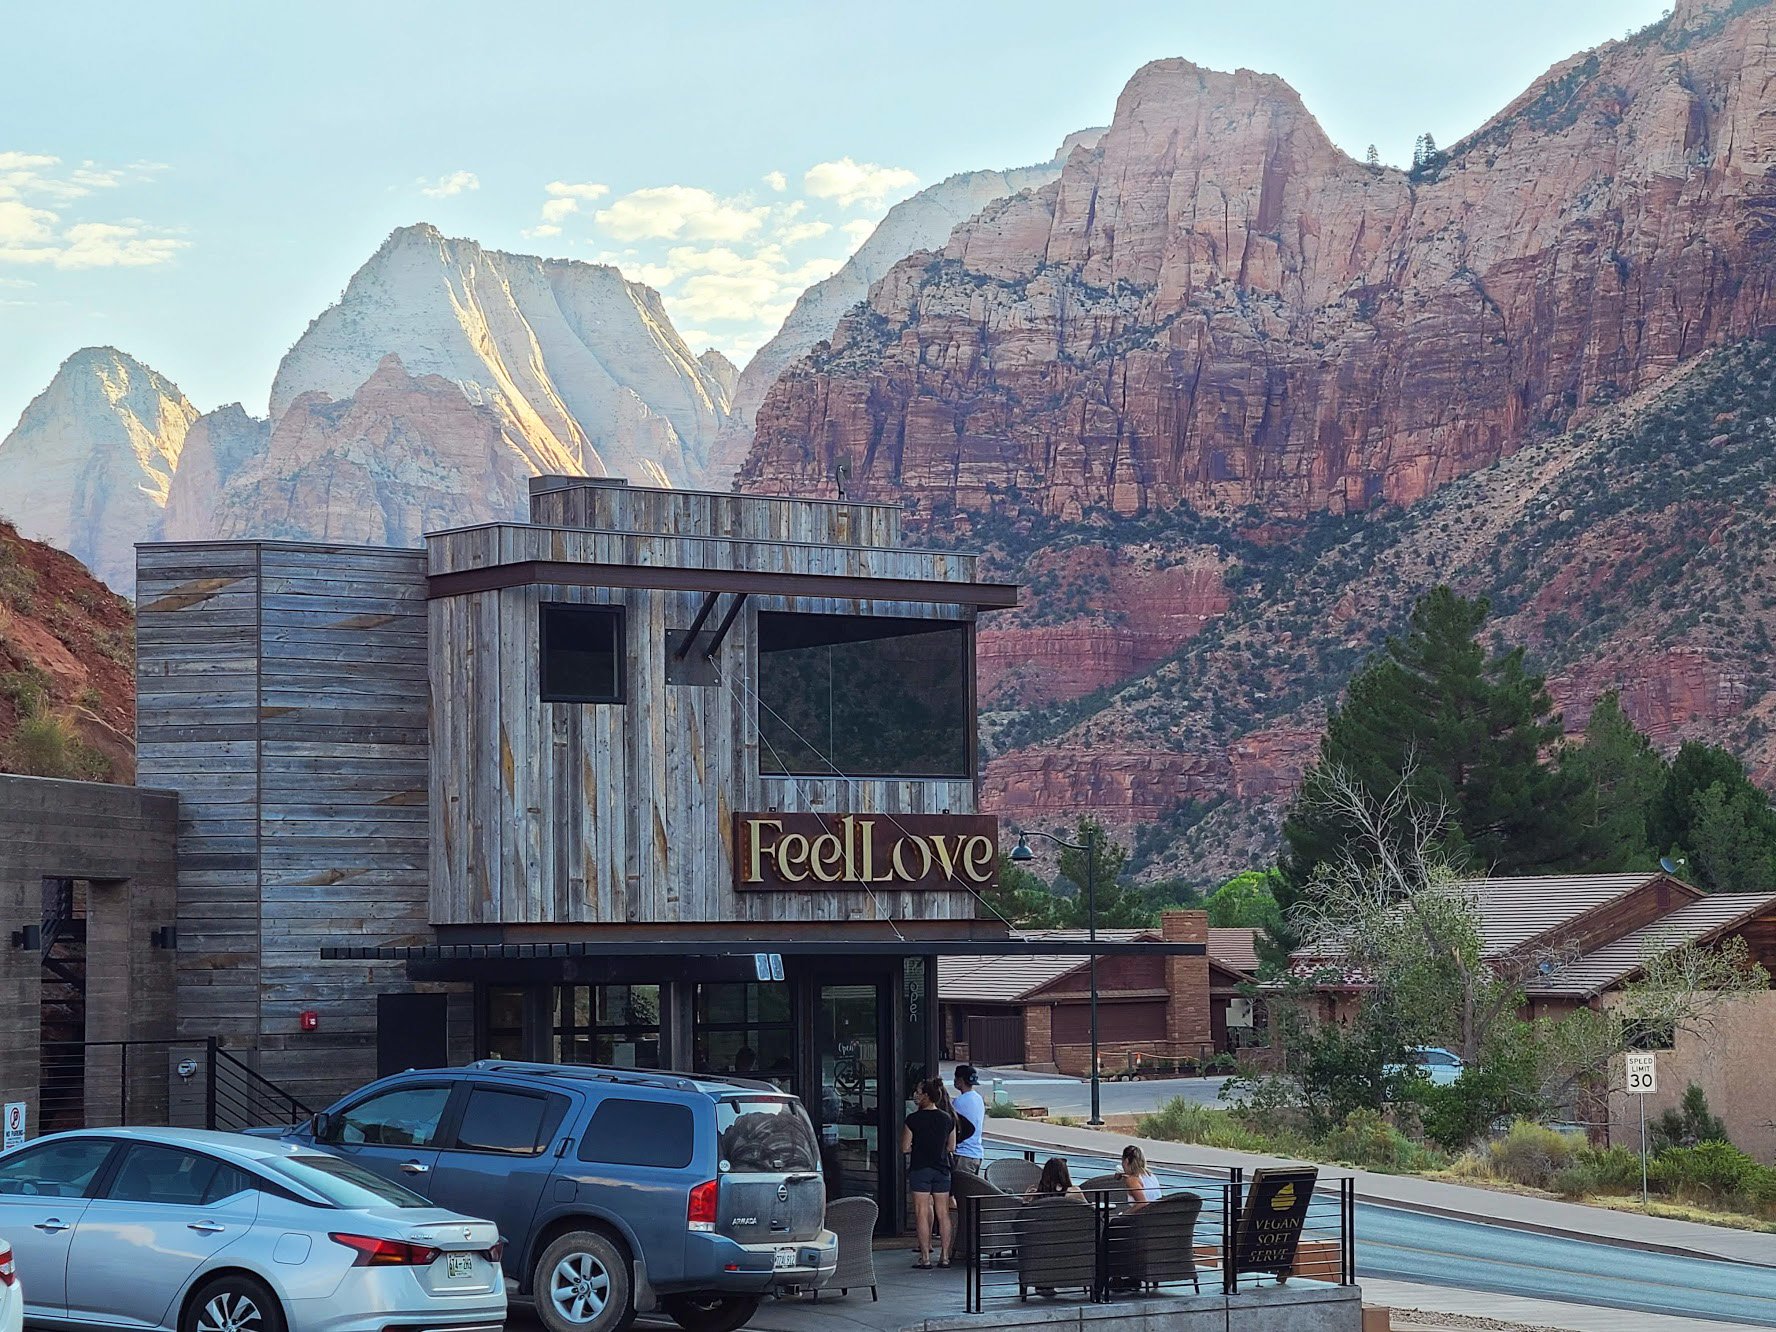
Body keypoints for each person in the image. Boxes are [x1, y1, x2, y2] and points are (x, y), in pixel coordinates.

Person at [900, 1077, 956, 1269]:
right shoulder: (947, 1119)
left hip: (920, 1168)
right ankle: (945, 1256)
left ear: (926, 1095)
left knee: (921, 1212)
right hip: (942, 1169)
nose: (916, 1095)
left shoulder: (913, 1120)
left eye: (918, 1092)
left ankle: (925, 1258)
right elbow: (952, 1146)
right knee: (943, 1213)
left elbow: (905, 1147)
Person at [951, 1064, 985, 1175]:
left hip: (964, 1154)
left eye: (956, 1078)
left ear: (960, 1080)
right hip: (977, 1153)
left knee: (961, 1190)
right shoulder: (978, 1098)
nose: (954, 1081)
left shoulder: (959, 1101)